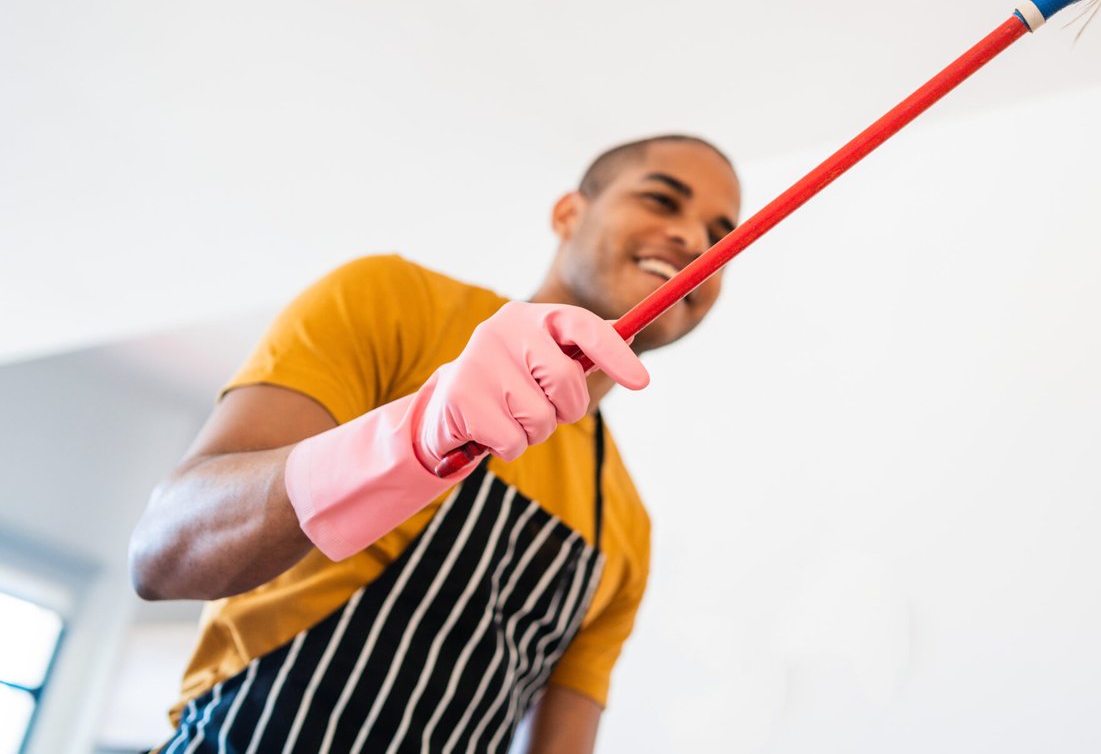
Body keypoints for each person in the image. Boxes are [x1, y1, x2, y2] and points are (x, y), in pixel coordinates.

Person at [129, 133, 742, 754]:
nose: (694, 242)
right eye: (662, 200)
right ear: (568, 214)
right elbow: (163, 555)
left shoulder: (626, 530)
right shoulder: (390, 302)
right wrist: (412, 436)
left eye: (721, 236)